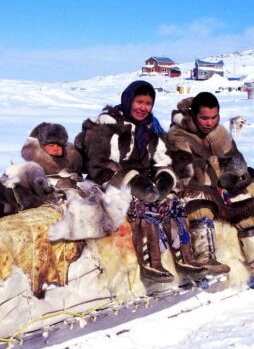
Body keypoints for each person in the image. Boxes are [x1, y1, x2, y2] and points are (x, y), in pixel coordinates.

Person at [75, 80, 206, 282]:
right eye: (139, 102)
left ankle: (185, 258)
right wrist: (131, 181)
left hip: (144, 181)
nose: (143, 108)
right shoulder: (107, 127)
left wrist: (164, 178)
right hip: (110, 183)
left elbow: (162, 159)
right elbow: (97, 166)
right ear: (128, 100)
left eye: (148, 103)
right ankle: (151, 263)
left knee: (172, 202)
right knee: (142, 206)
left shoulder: (150, 129)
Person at [166, 92, 254, 277]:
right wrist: (219, 172)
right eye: (204, 118)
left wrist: (228, 172)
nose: (210, 122)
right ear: (193, 115)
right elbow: (187, 171)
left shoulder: (220, 133)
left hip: (221, 185)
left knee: (247, 207)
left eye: (214, 117)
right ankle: (205, 258)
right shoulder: (178, 135)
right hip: (192, 186)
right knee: (199, 206)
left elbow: (237, 161)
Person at [21, 122, 83, 189]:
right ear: (42, 147)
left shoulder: (71, 158)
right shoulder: (36, 161)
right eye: (51, 146)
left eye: (59, 146)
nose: (55, 149)